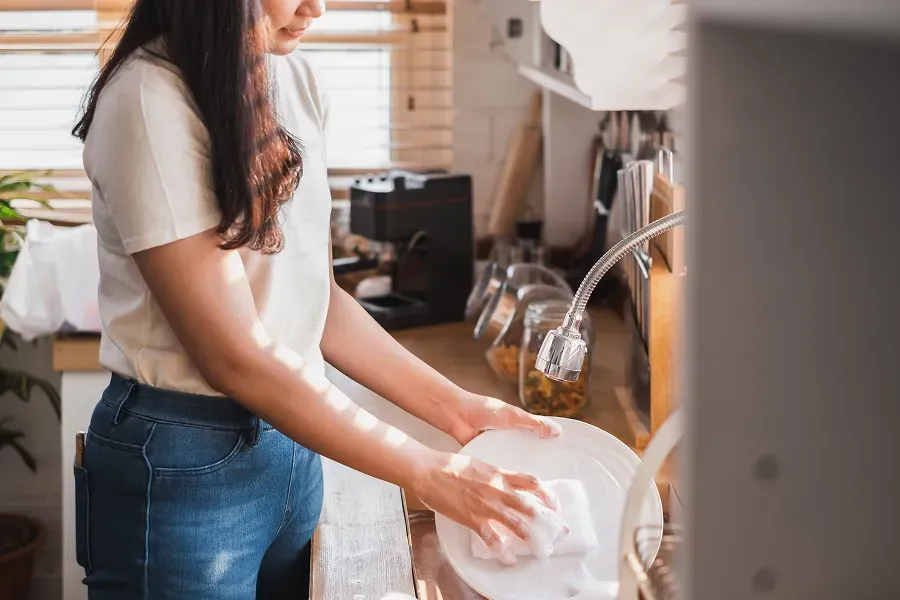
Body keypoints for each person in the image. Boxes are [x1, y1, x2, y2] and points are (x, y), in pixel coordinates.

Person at [71, 1, 560, 598]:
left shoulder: (293, 77)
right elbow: (234, 355)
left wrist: (459, 412)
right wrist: (431, 472)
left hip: (293, 445)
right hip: (181, 463)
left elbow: (319, 300)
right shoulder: (149, 99)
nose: (317, 7)